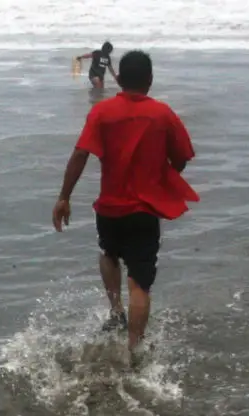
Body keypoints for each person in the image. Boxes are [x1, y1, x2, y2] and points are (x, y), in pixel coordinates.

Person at [51, 49, 196, 355]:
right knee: (140, 283)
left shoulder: (101, 113)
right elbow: (181, 157)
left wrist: (64, 197)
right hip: (144, 210)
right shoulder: (162, 114)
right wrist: (161, 175)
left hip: (110, 208)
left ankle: (116, 310)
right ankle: (134, 350)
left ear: (119, 79)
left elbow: (80, 153)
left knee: (108, 253)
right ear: (150, 80)